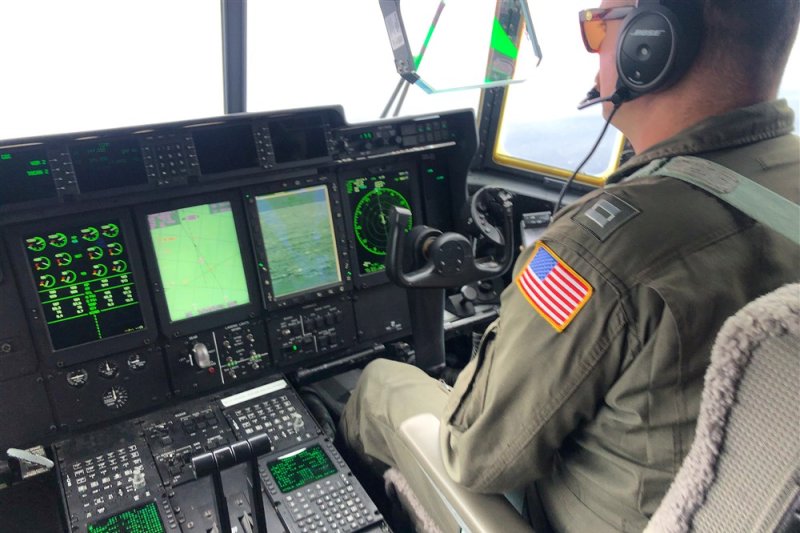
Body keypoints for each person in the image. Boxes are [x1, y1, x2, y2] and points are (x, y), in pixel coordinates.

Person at [339, 0, 800, 531]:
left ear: (651, 44)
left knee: (376, 384)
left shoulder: (601, 249)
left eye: (599, 27)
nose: (597, 49)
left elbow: (473, 452)